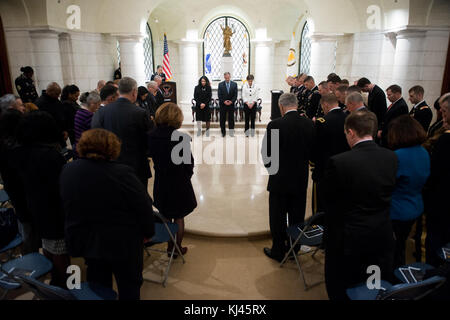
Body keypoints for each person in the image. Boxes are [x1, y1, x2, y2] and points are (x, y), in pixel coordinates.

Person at [60, 129, 155, 300]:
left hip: (87, 240)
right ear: (112, 148)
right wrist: (148, 232)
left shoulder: (68, 170)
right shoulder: (122, 172)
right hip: (122, 242)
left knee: (98, 285)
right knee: (129, 285)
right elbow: (143, 207)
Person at [323, 111, 397, 300]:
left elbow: (330, 204)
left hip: (348, 236)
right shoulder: (391, 157)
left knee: (341, 285)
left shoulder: (339, 162)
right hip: (381, 231)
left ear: (351, 132)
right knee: (373, 282)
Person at [15, 111, 70, 288]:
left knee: (48, 245)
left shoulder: (21, 151)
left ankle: (53, 280)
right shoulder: (49, 155)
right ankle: (67, 286)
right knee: (61, 250)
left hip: (35, 205)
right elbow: (61, 185)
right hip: (54, 208)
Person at [261, 93, 315, 262]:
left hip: (279, 180)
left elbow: (267, 154)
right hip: (300, 178)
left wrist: (273, 171)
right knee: (297, 215)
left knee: (277, 216)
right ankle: (294, 249)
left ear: (281, 106)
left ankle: (278, 249)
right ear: (296, 105)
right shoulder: (308, 124)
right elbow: (312, 153)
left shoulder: (275, 125)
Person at [148, 103, 196, 256]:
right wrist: (186, 177)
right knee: (179, 217)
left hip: (161, 182)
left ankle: (170, 246)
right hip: (179, 183)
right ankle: (175, 248)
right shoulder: (180, 137)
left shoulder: (151, 135)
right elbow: (189, 164)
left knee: (166, 214)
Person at [91, 77, 152, 188]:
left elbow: (95, 139)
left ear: (118, 91)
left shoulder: (101, 113)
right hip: (136, 167)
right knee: (138, 200)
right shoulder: (140, 113)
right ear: (134, 92)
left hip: (109, 167)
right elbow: (149, 139)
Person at [387, 115, 430, 268]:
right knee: (401, 245)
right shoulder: (423, 152)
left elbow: (387, 184)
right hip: (416, 206)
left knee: (393, 250)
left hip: (397, 210)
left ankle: (392, 282)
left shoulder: (398, 156)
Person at [0, 108, 39, 254]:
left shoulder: (4, 142)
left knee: (25, 221)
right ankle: (30, 253)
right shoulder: (21, 144)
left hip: (12, 185)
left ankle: (29, 251)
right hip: (25, 186)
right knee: (29, 222)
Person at [312, 94, 349, 214]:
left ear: (325, 104)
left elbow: (317, 148)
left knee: (321, 205)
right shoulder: (349, 119)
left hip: (325, 169)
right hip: (344, 167)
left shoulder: (322, 121)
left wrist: (314, 165)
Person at [425, 94, 450, 267]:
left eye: (443, 111)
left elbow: (435, 173)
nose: (442, 115)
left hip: (442, 201)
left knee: (436, 244)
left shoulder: (446, 141)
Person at [34, 82, 67, 147]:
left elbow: (61, 116)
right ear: (50, 92)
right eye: (57, 94)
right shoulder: (40, 103)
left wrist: (64, 129)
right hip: (50, 138)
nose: (58, 96)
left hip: (60, 134)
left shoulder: (55, 99)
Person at [218, 72, 238, 137]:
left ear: (230, 77)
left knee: (231, 119)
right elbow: (219, 95)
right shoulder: (220, 84)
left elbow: (235, 95)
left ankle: (231, 132)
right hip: (223, 105)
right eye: (226, 78)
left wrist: (231, 101)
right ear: (224, 77)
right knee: (222, 119)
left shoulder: (234, 84)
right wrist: (224, 101)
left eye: (228, 78)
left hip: (231, 105)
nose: (227, 79)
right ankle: (223, 132)